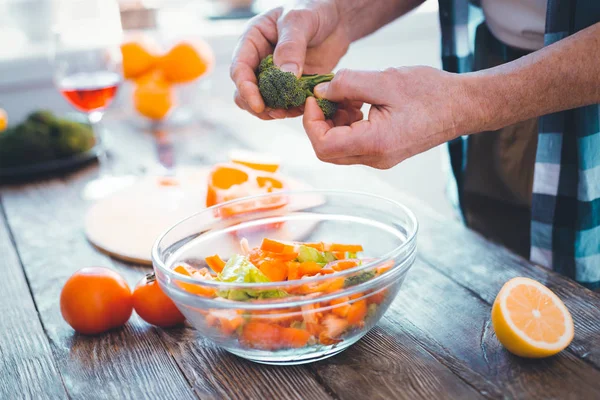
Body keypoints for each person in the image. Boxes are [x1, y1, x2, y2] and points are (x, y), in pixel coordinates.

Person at [230, 0, 600, 290]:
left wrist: (465, 104)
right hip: (493, 60)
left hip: (586, 114)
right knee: (497, 280)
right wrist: (340, 13)